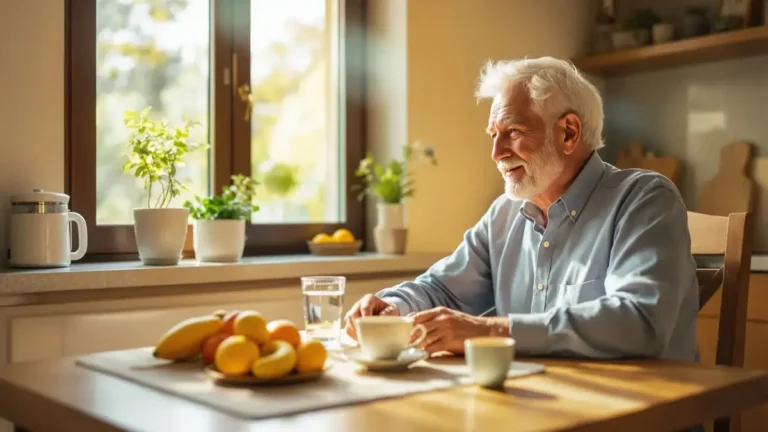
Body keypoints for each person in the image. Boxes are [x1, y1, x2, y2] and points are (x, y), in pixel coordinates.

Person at [343, 56, 700, 361]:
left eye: (512, 131)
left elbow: (640, 320)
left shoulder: (644, 198)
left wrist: (491, 330)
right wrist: (391, 306)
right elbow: (443, 289)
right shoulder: (504, 214)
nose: (496, 153)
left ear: (569, 133)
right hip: (545, 404)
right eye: (493, 135)